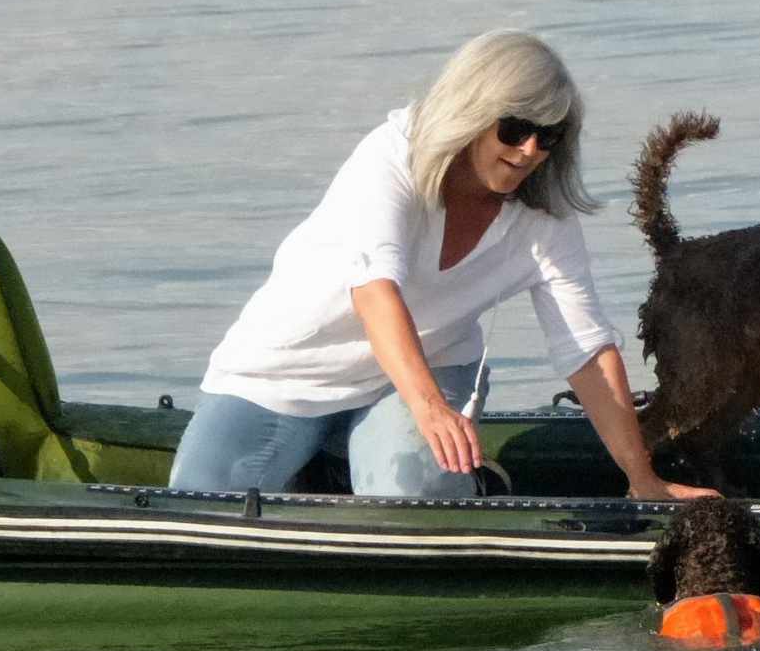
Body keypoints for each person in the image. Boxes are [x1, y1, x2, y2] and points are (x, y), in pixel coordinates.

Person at [171, 30, 715, 502]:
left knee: (411, 493)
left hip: (430, 364)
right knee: (192, 499)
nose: (529, 151)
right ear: (473, 113)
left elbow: (586, 349)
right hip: (284, 372)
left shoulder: (545, 217)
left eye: (547, 136)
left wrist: (643, 478)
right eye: (515, 128)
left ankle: (446, 479)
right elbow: (374, 292)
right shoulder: (390, 157)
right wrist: (430, 411)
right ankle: (330, 460)